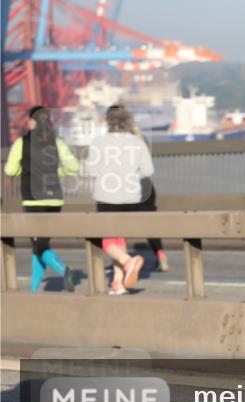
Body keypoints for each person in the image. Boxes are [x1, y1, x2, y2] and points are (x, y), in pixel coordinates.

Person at [3, 106, 79, 292]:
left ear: (32, 121)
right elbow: (73, 167)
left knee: (39, 246)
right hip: (55, 202)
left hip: (33, 201)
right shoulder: (58, 142)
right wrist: (55, 172)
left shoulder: (22, 142)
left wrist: (25, 171)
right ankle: (33, 290)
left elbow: (10, 170)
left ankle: (64, 270)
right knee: (39, 245)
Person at [84, 104, 153, 295]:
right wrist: (130, 176)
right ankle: (118, 283)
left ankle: (128, 261)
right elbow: (148, 171)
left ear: (108, 121)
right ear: (128, 121)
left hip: (107, 195)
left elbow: (91, 170)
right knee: (119, 238)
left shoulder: (99, 142)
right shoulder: (137, 142)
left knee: (107, 240)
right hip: (131, 196)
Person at [132, 123, 169, 272]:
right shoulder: (142, 141)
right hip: (146, 186)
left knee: (116, 223)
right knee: (149, 224)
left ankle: (121, 261)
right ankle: (161, 255)